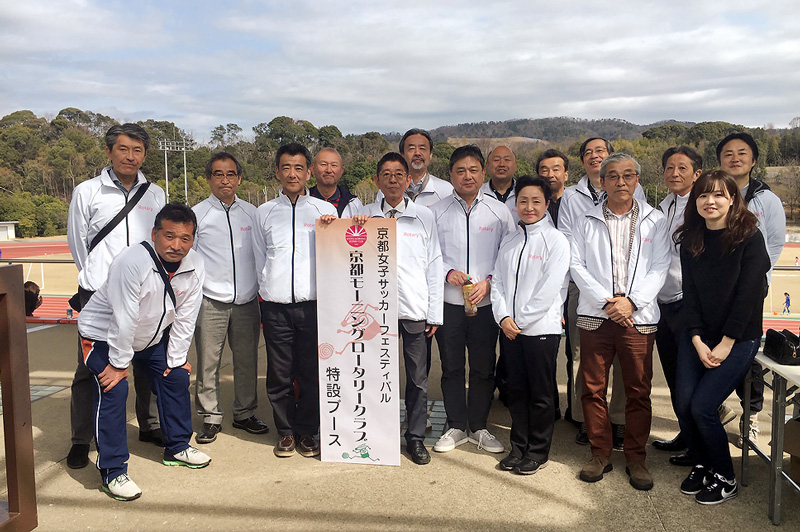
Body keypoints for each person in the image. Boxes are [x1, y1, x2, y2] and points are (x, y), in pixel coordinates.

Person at [78, 203, 210, 501]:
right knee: (115, 388)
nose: (177, 245)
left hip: (149, 337)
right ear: (154, 234)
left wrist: (176, 359)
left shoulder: (196, 264)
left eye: (185, 238)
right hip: (103, 335)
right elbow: (124, 319)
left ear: (193, 239)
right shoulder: (132, 261)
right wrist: (118, 364)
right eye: (169, 236)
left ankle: (177, 447)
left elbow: (187, 315)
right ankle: (112, 470)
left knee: (176, 377)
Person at [66, 123, 165, 470]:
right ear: (109, 152)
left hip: (142, 291)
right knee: (88, 368)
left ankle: (149, 424)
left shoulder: (156, 194)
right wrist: (97, 278)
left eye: (137, 151)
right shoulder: (87, 191)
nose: (130, 156)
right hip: (98, 292)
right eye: (123, 149)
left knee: (147, 361)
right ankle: (81, 438)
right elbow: (79, 244)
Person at [570, 152, 669, 491]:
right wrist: (608, 302)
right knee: (593, 388)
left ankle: (636, 457)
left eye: (628, 175)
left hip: (638, 318)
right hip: (596, 316)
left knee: (639, 390)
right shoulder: (586, 220)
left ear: (637, 180)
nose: (621, 182)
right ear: (602, 181)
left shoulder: (655, 221)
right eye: (613, 176)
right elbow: (576, 266)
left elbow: (660, 267)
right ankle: (600, 453)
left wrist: (632, 302)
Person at [674, 170, 770, 505]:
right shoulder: (691, 239)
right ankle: (702, 462)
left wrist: (726, 343)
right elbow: (692, 295)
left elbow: (748, 297)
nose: (709, 201)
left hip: (739, 338)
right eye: (702, 195)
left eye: (718, 195)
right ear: (695, 200)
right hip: (699, 334)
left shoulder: (749, 238)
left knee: (703, 406)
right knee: (683, 403)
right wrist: (698, 340)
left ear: (732, 199)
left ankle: (724, 475)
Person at [353, 152, 444, 465]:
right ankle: (379, 435)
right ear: (377, 181)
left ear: (408, 180)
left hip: (413, 311)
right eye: (386, 174)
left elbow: (434, 265)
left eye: (398, 174)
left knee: (417, 379)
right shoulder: (361, 214)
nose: (392, 180)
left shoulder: (424, 216)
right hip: (374, 314)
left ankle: (415, 437)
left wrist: (434, 313)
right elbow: (338, 244)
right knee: (376, 374)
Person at [430, 144, 515, 455]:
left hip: (485, 306)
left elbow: (508, 256)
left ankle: (478, 426)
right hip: (448, 306)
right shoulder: (435, 212)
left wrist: (490, 283)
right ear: (450, 175)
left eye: (473, 170)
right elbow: (426, 256)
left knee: (482, 368)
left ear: (483, 173)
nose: (467, 176)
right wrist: (447, 271)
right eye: (460, 171)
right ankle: (455, 425)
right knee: (451, 367)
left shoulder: (500, 211)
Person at [253, 143, 337, 458]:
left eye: (299, 167)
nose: (292, 173)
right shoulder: (265, 212)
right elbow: (259, 258)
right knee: (279, 372)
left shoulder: (324, 212)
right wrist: (267, 288)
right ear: (277, 172)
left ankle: (307, 431)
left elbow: (337, 254)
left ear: (308, 172)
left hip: (313, 307)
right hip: (275, 307)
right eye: (286, 167)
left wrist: (332, 230)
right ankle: (285, 432)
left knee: (312, 371)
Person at [558, 138, 643, 448]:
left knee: (624, 360)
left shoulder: (633, 189)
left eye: (600, 151)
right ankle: (584, 418)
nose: (595, 156)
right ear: (584, 163)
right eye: (588, 153)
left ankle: (618, 420)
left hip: (628, 296)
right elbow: (569, 244)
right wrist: (599, 292)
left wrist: (626, 298)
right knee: (583, 358)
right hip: (586, 290)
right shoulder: (570, 196)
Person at [491, 175, 570, 475]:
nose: (529, 207)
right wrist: (503, 318)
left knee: (540, 394)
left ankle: (537, 451)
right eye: (522, 201)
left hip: (540, 332)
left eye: (536, 201)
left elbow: (550, 289)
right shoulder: (511, 240)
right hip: (510, 330)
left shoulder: (556, 241)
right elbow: (497, 281)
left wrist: (519, 321)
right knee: (516, 392)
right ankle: (518, 446)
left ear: (547, 204)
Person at [192, 152, 269, 444]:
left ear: (239, 178)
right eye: (218, 174)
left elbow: (262, 255)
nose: (225, 180)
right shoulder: (198, 215)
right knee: (208, 362)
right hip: (210, 301)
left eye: (231, 174)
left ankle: (245, 412)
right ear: (209, 178)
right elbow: (191, 260)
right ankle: (210, 416)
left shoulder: (253, 213)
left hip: (248, 301)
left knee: (247, 360)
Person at [716, 132, 786, 445]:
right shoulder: (711, 194)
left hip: (751, 289)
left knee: (745, 354)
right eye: (728, 153)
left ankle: (752, 414)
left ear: (753, 160)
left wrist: (752, 280)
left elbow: (774, 244)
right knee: (707, 346)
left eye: (742, 153)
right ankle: (713, 407)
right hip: (714, 290)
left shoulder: (766, 200)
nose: (735, 158)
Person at [651, 146, 703, 464]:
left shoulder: (700, 205)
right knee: (672, 376)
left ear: (697, 173)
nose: (675, 173)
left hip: (689, 304)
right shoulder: (665, 205)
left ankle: (701, 450)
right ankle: (687, 436)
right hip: (663, 304)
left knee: (688, 381)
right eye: (670, 167)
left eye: (682, 168)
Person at [399, 128, 453, 207]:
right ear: (402, 155)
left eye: (422, 148)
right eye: (411, 149)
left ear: (430, 155)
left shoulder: (445, 190)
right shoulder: (387, 189)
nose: (417, 153)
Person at [309, 147, 363, 217]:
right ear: (312, 168)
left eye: (334, 165)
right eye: (323, 164)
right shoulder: (302, 201)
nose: (329, 170)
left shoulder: (354, 204)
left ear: (341, 171)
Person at [481, 145, 519, 220]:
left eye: (507, 160)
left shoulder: (524, 193)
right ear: (487, 165)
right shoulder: (477, 194)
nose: (502, 164)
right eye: (496, 160)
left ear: (515, 166)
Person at [536, 148, 570, 228]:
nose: (550, 175)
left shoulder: (574, 201)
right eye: (544, 170)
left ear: (566, 175)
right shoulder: (534, 204)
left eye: (556, 170)